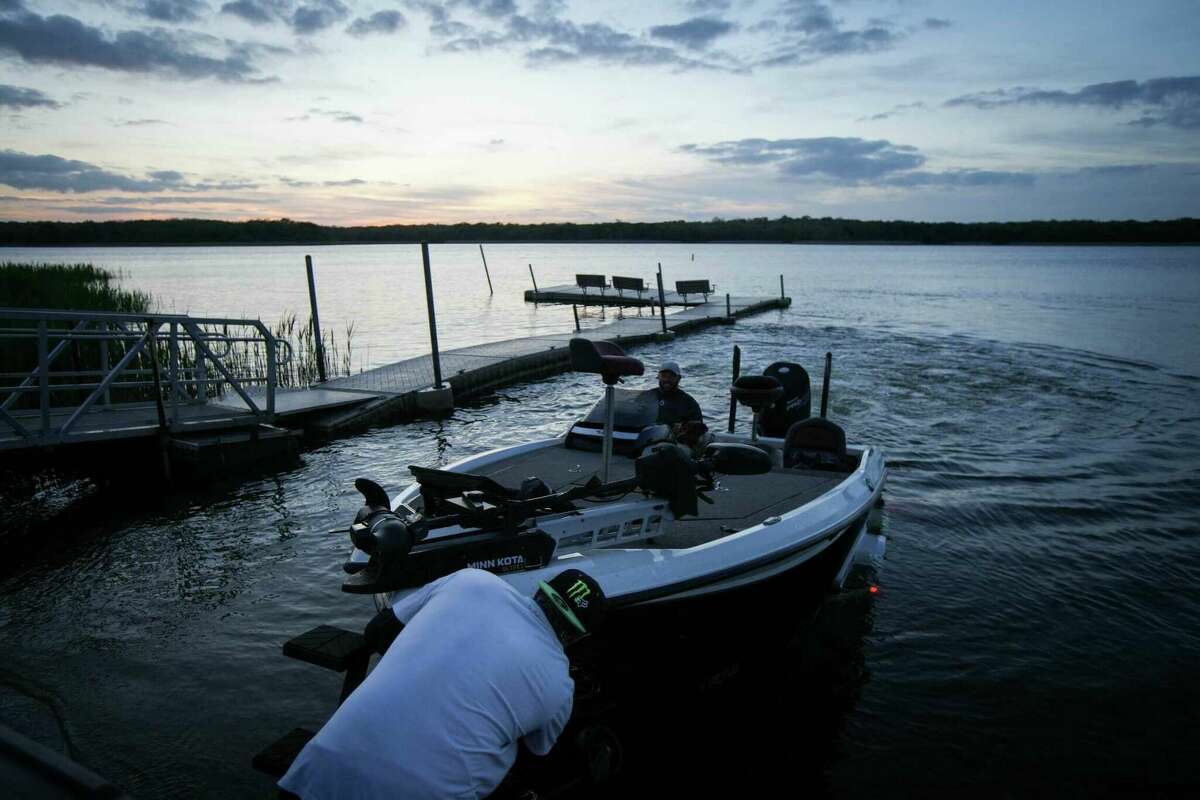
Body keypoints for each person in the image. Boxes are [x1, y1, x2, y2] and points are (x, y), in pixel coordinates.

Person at [278, 568, 607, 800]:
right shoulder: (559, 687)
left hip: (317, 772)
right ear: (580, 635)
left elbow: (377, 631)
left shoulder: (472, 581)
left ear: (540, 588)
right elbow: (538, 751)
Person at [652, 360, 703, 426]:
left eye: (671, 376)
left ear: (679, 378)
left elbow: (698, 426)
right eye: (664, 376)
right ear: (658, 377)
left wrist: (682, 426)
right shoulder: (648, 396)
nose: (667, 380)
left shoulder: (688, 402)